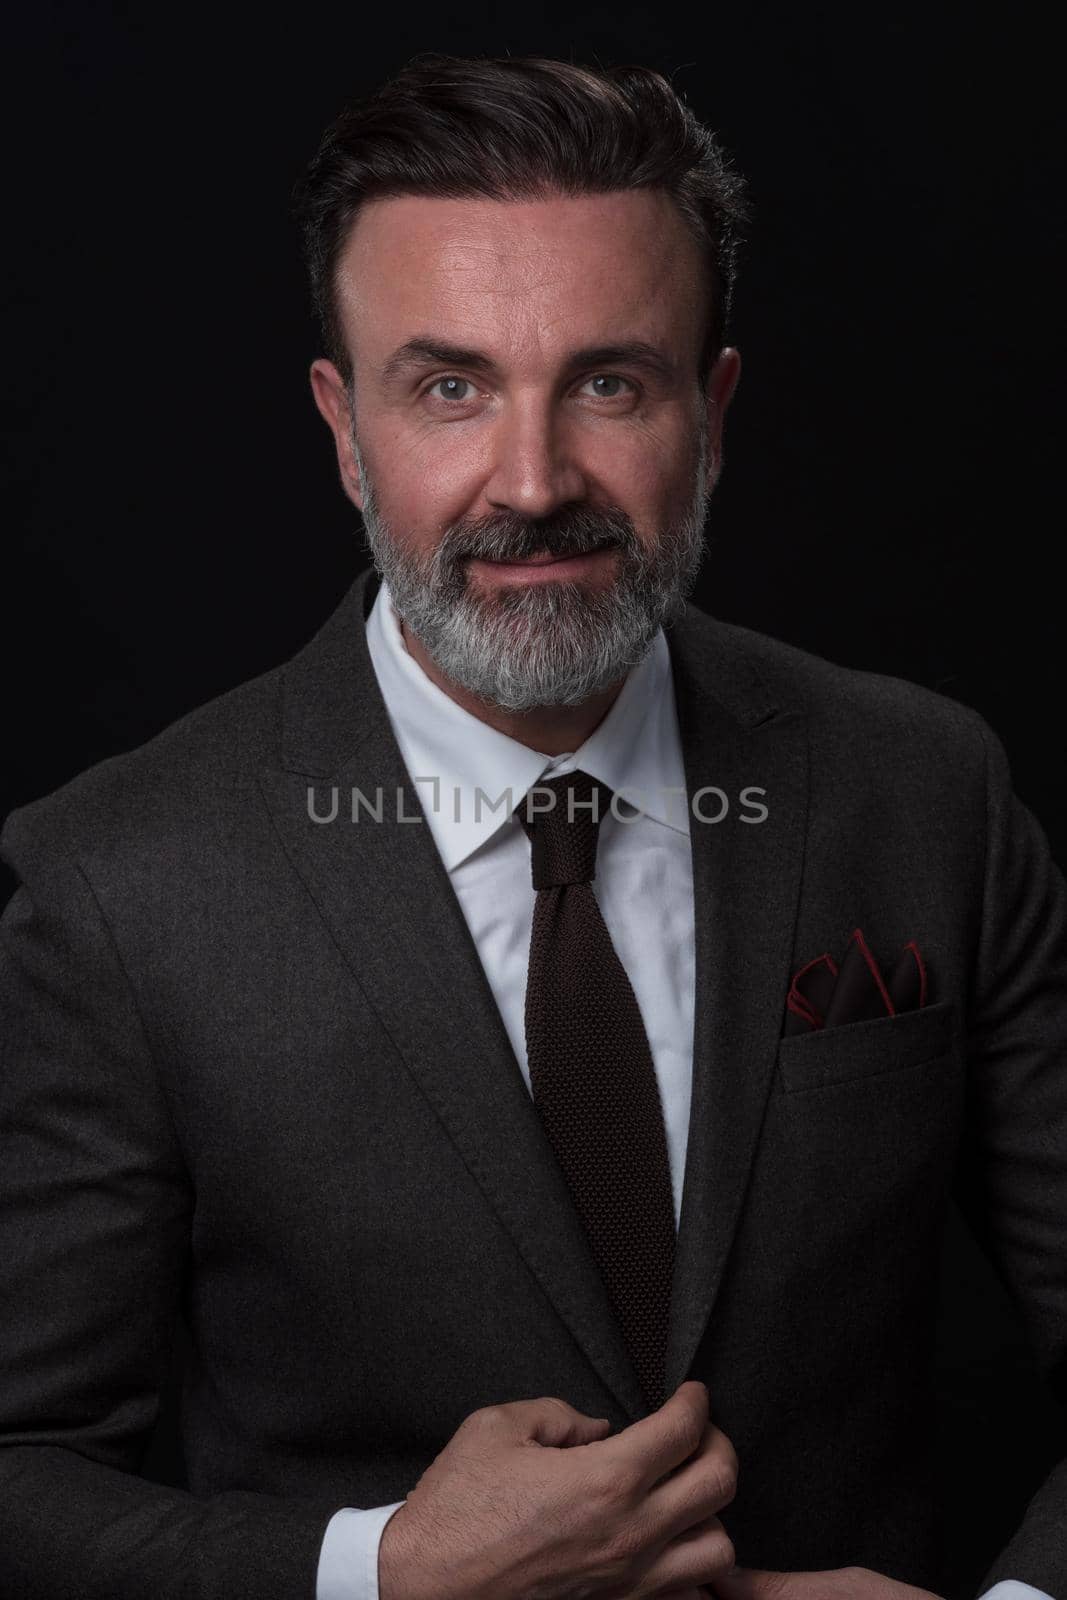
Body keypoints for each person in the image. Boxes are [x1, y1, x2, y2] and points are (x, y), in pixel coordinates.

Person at [0, 50, 1063, 1600]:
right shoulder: (115, 883)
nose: (534, 478)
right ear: (344, 426)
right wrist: (385, 1572)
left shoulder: (927, 789)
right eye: (448, 386)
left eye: (609, 382)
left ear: (714, 410)